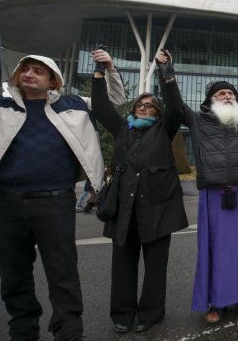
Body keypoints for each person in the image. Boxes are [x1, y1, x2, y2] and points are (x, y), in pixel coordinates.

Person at [0, 54, 124, 341]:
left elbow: (115, 101)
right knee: (13, 273)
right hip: (7, 202)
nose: (30, 74)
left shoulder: (74, 104)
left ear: (53, 79)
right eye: (26, 70)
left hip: (55, 202)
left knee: (62, 271)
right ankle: (23, 328)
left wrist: (109, 69)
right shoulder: (3, 106)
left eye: (39, 71)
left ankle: (68, 330)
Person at [168, 51, 238, 324]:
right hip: (212, 195)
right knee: (214, 249)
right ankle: (214, 300)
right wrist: (166, 72)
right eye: (221, 93)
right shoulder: (196, 120)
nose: (227, 95)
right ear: (210, 100)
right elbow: (174, 103)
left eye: (230, 93)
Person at [92, 49, 188, 334]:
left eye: (150, 105)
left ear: (157, 111)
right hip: (124, 208)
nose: (144, 107)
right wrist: (101, 71)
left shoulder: (164, 129)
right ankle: (122, 314)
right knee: (123, 265)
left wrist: (166, 73)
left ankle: (151, 312)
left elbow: (177, 108)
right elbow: (100, 108)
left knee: (155, 267)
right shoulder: (123, 129)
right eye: (140, 105)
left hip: (158, 208)